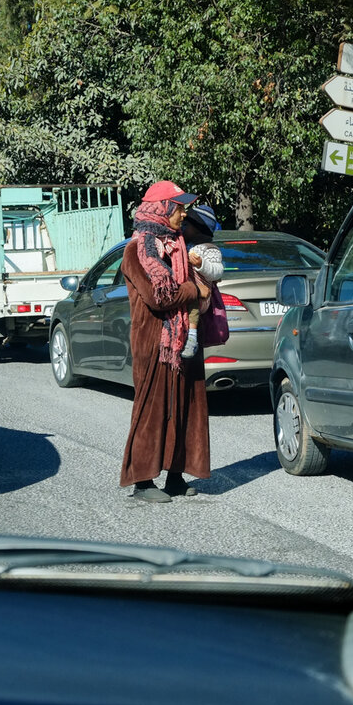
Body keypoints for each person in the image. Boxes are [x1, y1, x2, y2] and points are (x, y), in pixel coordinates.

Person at [119, 180, 212, 503]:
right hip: (153, 342)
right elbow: (161, 297)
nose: (183, 213)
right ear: (161, 209)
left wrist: (198, 289)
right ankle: (142, 482)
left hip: (183, 339)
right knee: (152, 409)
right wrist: (193, 291)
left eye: (183, 207)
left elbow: (192, 284)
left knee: (185, 406)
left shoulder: (178, 246)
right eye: (178, 207)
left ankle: (175, 476)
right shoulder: (138, 250)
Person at [180, 204, 223, 359]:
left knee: (192, 302)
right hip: (190, 291)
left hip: (201, 296)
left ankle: (192, 338)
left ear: (198, 228)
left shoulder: (210, 249)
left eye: (187, 225)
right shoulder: (185, 245)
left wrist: (201, 265)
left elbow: (217, 271)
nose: (183, 228)